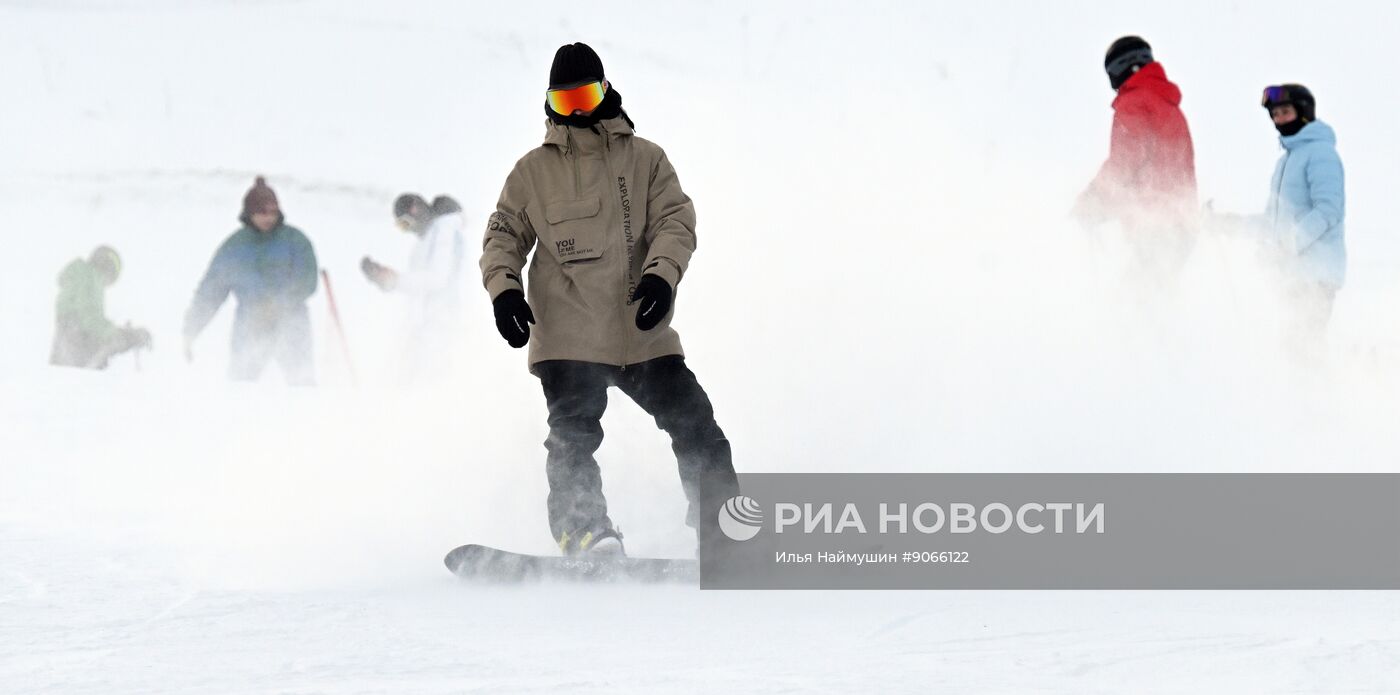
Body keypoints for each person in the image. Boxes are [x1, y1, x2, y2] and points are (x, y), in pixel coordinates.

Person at [480, 42, 739, 557]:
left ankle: (724, 530)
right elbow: (502, 235)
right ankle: (584, 531)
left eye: (587, 96)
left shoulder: (645, 159)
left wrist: (662, 277)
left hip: (641, 328)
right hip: (569, 334)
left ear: (606, 92)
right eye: (566, 100)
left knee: (695, 421)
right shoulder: (533, 171)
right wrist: (504, 290)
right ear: (550, 103)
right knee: (572, 436)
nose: (577, 110)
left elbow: (675, 221)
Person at [1075, 36, 1198, 293]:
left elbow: (1125, 164)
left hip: (1156, 227)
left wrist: (1091, 201)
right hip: (1180, 224)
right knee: (1154, 299)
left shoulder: (1134, 102)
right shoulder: (1167, 105)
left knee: (1133, 308)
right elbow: (1159, 168)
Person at [183, 176, 319, 385]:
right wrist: (191, 329)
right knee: (241, 384)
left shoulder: (295, 241)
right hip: (250, 324)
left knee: (300, 383)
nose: (268, 218)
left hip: (291, 321)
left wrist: (278, 304)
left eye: (272, 212)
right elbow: (210, 292)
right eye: (261, 212)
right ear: (249, 213)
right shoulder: (234, 247)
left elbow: (307, 281)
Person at [1258, 84, 1345, 359]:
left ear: (1304, 113)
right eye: (1275, 114)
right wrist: (1225, 224)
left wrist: (1289, 244)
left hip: (1315, 276)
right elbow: (1271, 222)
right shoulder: (1287, 161)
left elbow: (1328, 210)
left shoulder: (1321, 154)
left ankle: (1319, 396)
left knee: (1302, 350)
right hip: (1292, 277)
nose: (1279, 119)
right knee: (1288, 350)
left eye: (1285, 111)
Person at [362, 192, 466, 380]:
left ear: (416, 210)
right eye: (402, 227)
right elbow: (419, 287)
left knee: (430, 382)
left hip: (442, 322)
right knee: (411, 380)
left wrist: (395, 281)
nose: (409, 230)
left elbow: (438, 278)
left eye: (406, 223)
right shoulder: (428, 239)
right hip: (425, 323)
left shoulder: (445, 228)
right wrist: (387, 279)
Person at [50, 246, 151, 369]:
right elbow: (90, 318)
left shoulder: (77, 277)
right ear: (107, 268)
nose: (104, 286)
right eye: (108, 280)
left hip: (68, 345)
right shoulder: (89, 275)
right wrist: (122, 335)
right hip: (77, 341)